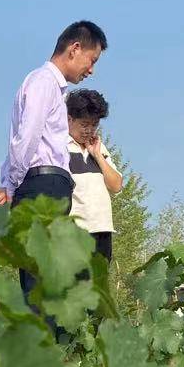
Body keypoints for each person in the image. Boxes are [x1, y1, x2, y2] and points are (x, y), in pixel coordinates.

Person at [0, 20, 106, 313]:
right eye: (91, 60)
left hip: (48, 186)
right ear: (74, 49)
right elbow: (26, 138)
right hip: (41, 186)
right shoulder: (42, 82)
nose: (90, 70)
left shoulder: (55, 89)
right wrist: (12, 184)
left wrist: (9, 183)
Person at [64, 89, 124, 263]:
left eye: (94, 125)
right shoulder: (58, 149)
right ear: (69, 119)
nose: (89, 130)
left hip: (102, 229)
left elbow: (116, 185)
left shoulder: (99, 148)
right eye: (84, 124)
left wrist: (97, 155)